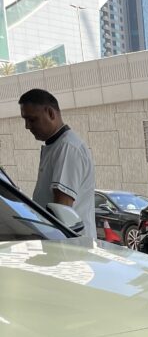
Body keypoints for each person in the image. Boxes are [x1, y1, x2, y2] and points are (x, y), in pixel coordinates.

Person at [18, 88, 96, 240]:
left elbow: (62, 209)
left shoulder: (67, 148)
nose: (27, 126)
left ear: (51, 113)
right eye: (25, 120)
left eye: (32, 119)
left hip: (70, 248)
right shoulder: (57, 146)